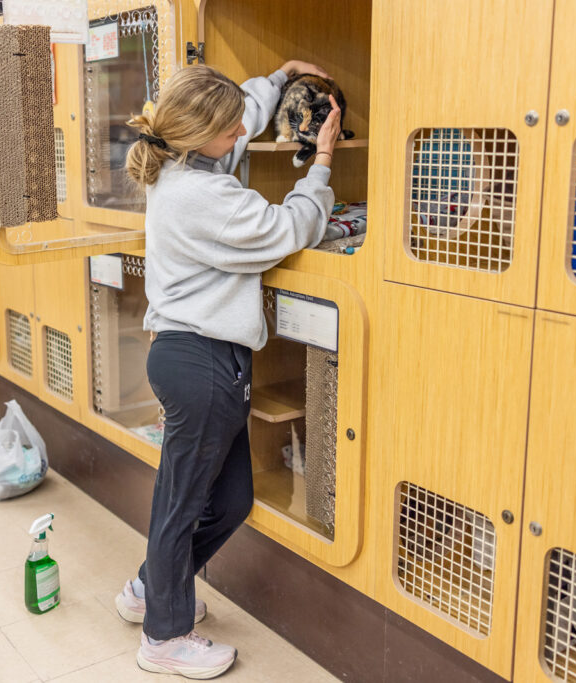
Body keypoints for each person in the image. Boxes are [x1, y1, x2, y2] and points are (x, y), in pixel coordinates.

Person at [113, 62, 340, 679]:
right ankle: (163, 635)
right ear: (199, 132)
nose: (244, 126)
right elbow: (287, 228)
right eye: (230, 123)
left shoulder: (187, 163)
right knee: (180, 504)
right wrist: (320, 165)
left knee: (231, 498)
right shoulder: (201, 194)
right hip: (202, 362)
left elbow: (242, 120)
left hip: (204, 358)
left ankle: (148, 589)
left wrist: (281, 76)